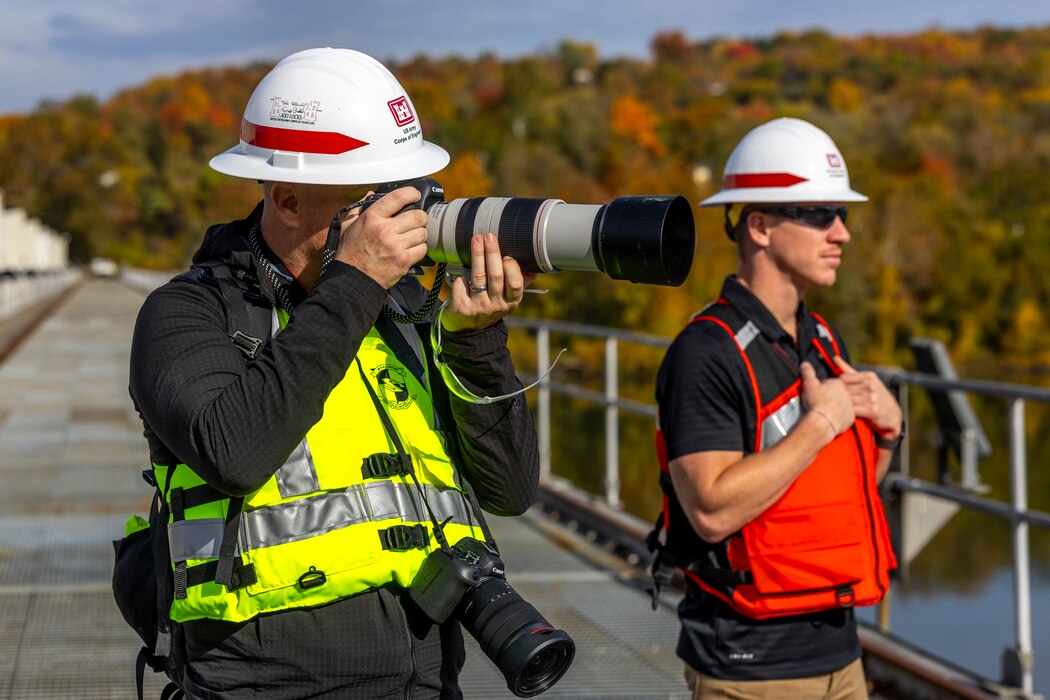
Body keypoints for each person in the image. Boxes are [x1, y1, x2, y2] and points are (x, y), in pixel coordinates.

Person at [128, 48, 540, 699]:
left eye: (411, 195)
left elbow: (512, 489)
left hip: (427, 684)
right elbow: (234, 454)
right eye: (373, 200)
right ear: (288, 199)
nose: (403, 221)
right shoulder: (188, 313)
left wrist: (476, 341)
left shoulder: (403, 312)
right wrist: (354, 286)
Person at [651, 117, 901, 699]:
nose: (840, 233)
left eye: (843, 216)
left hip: (841, 653)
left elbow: (834, 495)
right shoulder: (705, 353)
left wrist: (888, 434)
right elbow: (711, 510)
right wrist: (821, 424)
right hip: (749, 668)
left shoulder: (820, 339)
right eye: (818, 214)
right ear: (759, 226)